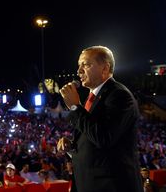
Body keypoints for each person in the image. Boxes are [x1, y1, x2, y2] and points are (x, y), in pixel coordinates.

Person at [58, 45, 143, 192]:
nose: (79, 71)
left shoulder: (119, 95)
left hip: (112, 186)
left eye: (86, 65)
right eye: (79, 66)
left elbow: (104, 137)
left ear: (105, 68)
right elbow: (93, 135)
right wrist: (72, 146)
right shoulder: (92, 98)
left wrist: (74, 107)